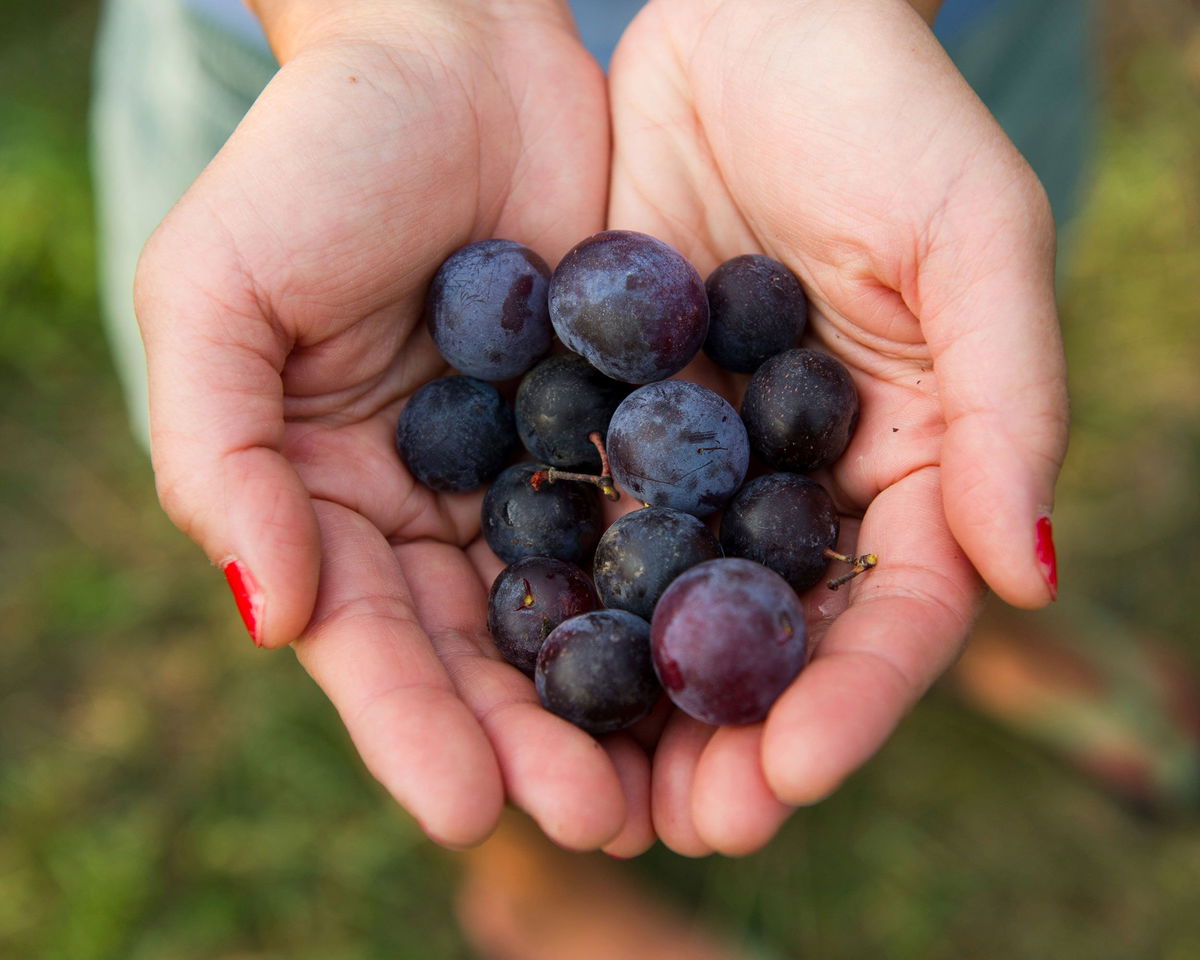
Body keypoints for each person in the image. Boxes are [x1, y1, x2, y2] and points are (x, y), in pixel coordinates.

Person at [95, 0, 1072, 860]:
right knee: (464, 712)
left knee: (939, 444)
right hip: (304, 63)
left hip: (889, 74)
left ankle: (971, 615)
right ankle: (528, 880)